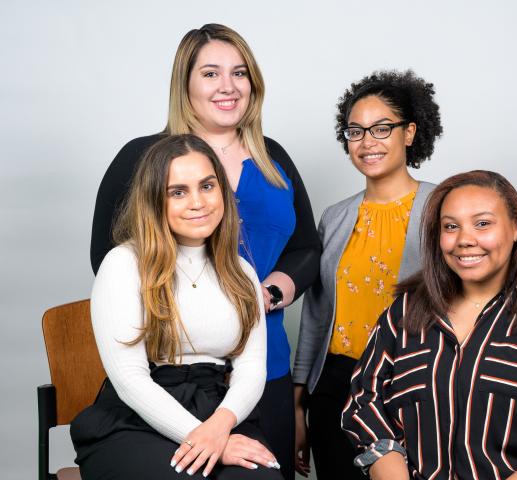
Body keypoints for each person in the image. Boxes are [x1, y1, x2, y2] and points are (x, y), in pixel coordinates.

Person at [89, 24, 320, 480]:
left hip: (260, 355)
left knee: (262, 469)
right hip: (165, 362)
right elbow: (109, 259)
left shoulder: (273, 158)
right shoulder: (142, 159)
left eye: (239, 73)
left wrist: (261, 293)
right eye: (211, 74)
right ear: (186, 84)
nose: (228, 87)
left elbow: (307, 247)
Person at [342, 170, 517, 480]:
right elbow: (365, 401)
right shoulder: (406, 311)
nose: (465, 240)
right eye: (451, 227)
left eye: (483, 224)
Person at [71, 134, 283, 479]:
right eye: (178, 191)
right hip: (137, 415)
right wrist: (209, 441)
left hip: (218, 409)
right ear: (155, 200)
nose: (198, 202)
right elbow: (129, 379)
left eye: (207, 186)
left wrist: (220, 428)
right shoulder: (124, 263)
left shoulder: (241, 271)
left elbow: (251, 369)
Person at [292, 70, 443, 478]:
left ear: (409, 133)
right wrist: (299, 401)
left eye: (381, 128)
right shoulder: (335, 217)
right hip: (337, 387)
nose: (367, 142)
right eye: (355, 131)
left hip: (415, 384)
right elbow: (316, 314)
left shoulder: (442, 208)